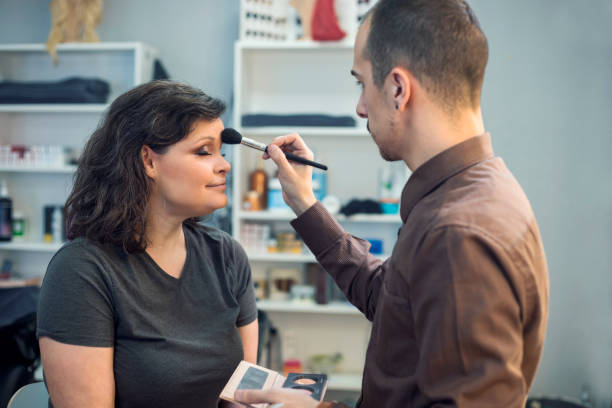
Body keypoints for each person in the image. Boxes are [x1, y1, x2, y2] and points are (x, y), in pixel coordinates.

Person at [235, 0, 549, 407]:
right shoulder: (466, 194)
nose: (360, 107)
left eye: (361, 83)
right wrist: (307, 205)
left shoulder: (457, 233)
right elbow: (390, 301)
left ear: (398, 88)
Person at [36, 80, 258, 408]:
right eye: (203, 151)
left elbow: (242, 396)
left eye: (221, 152)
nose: (224, 164)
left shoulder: (227, 256)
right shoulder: (82, 272)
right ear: (149, 161)